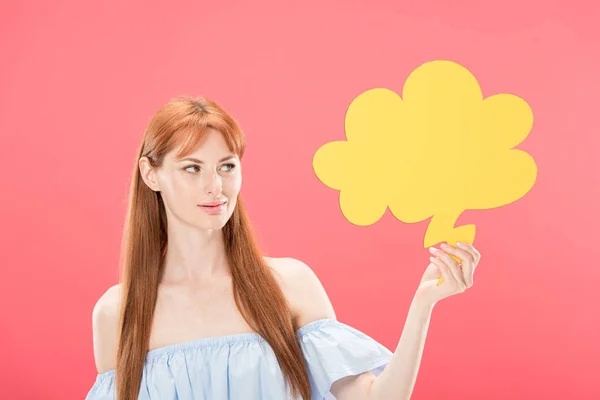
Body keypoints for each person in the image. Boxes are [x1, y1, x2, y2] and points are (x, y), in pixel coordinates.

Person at [85, 97, 481, 400]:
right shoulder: (117, 313)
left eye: (227, 166)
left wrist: (424, 304)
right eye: (192, 168)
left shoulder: (289, 284)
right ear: (150, 174)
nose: (215, 186)